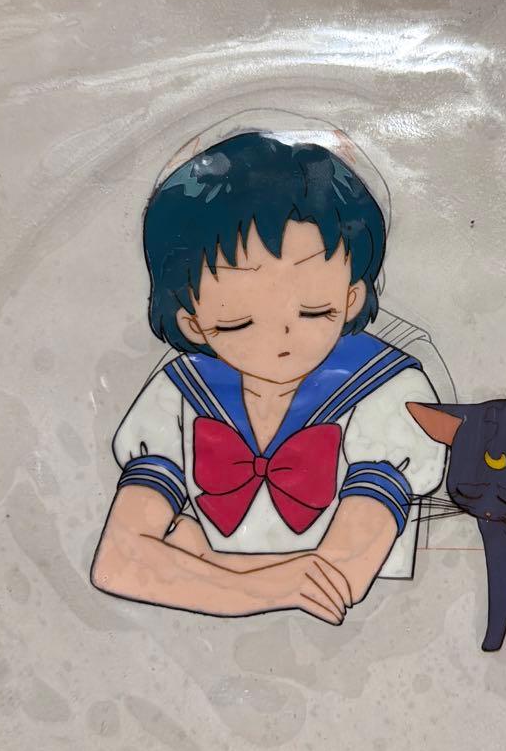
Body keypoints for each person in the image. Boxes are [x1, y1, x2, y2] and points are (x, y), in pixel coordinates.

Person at [90, 130, 446, 624]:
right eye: (238, 322)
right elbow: (117, 564)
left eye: (314, 311)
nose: (281, 339)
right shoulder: (179, 393)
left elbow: (338, 583)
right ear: (191, 321)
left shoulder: (390, 393)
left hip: (368, 640)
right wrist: (271, 583)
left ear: (352, 298)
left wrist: (202, 563)